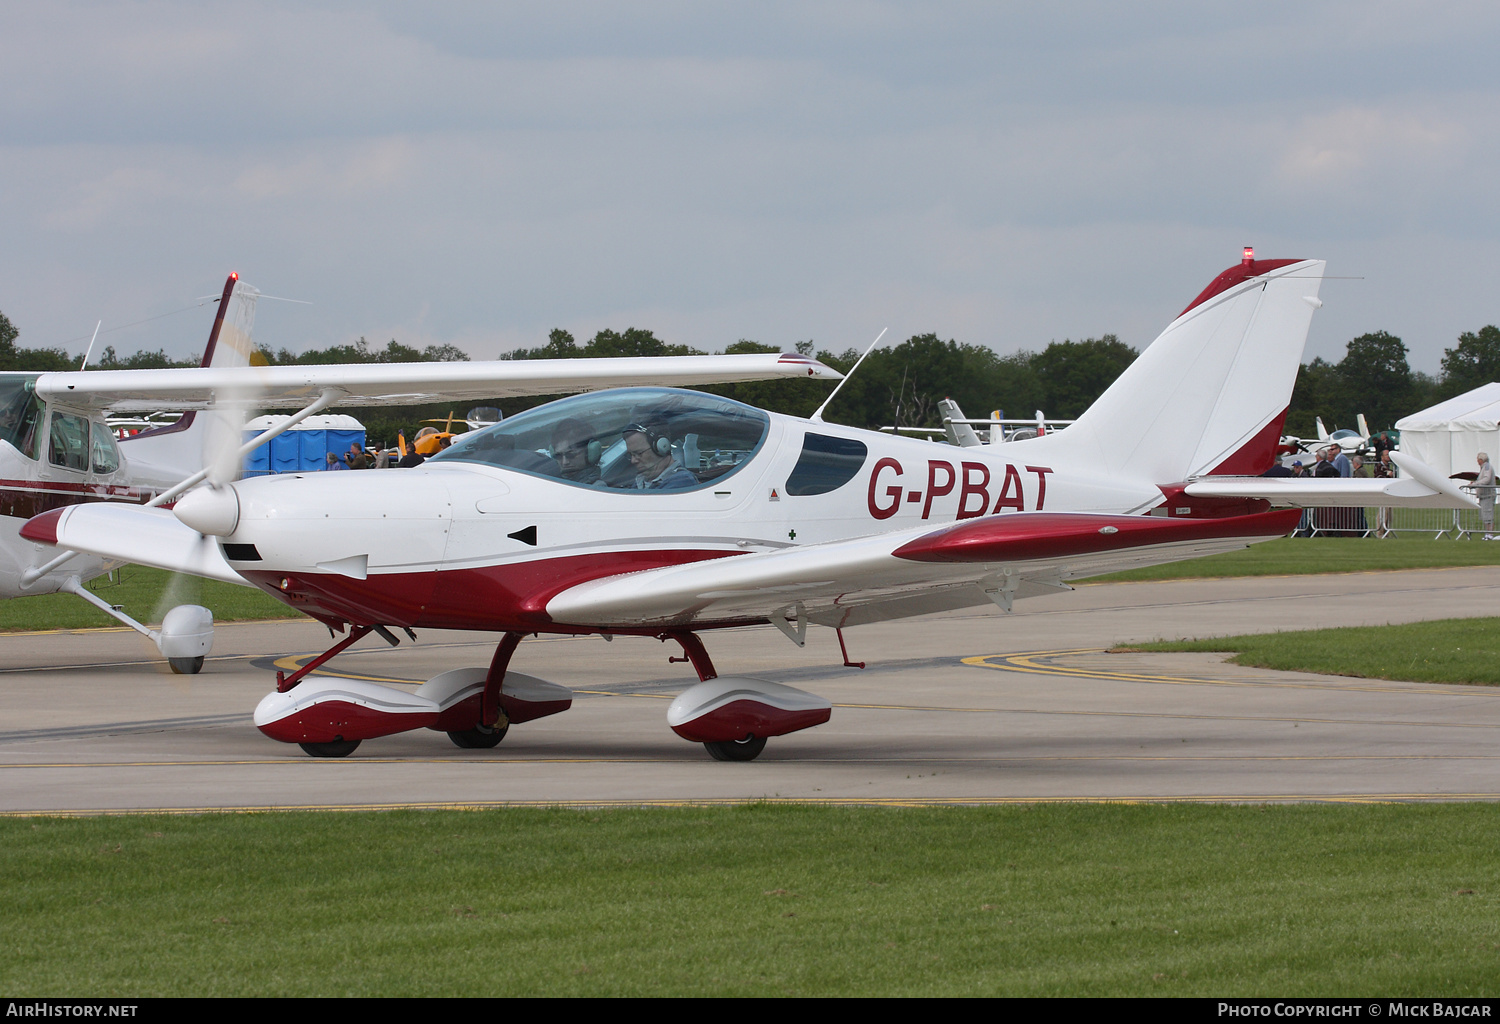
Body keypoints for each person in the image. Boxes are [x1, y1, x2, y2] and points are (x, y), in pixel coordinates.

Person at [622, 423, 698, 490]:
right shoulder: (641, 481)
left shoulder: (681, 481)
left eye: (639, 453)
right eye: (631, 455)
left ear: (661, 448)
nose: (633, 460)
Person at [551, 417, 601, 484]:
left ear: (589, 453)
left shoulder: (597, 489)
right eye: (558, 456)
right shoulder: (553, 483)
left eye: (571, 455)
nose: (565, 462)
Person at [1373, 450, 1396, 538]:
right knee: (1383, 513)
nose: (1388, 457)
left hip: (1389, 493)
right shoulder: (1379, 466)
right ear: (1382, 457)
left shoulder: (1388, 466)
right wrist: (1388, 476)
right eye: (1386, 455)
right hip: (1382, 493)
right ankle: (1380, 532)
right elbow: (1378, 478)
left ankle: (1386, 532)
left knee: (1389, 514)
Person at [1477, 452, 1496, 540]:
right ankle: (1487, 533)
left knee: (1488, 515)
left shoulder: (1487, 467)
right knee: (1485, 515)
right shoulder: (1484, 467)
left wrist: (1476, 484)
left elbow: (1487, 479)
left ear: (1481, 460)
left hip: (1488, 495)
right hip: (1484, 495)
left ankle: (1490, 534)